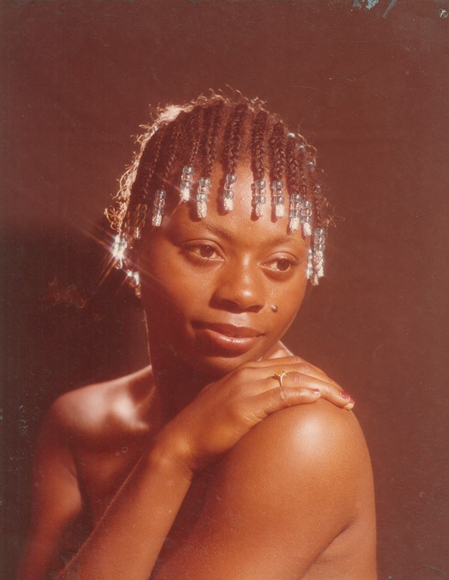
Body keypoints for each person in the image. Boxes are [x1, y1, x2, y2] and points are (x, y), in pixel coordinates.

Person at [16, 93, 377, 580]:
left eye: (280, 263)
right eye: (205, 250)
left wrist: (173, 456)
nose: (245, 293)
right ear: (131, 246)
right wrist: (174, 452)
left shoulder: (305, 435)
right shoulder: (79, 422)